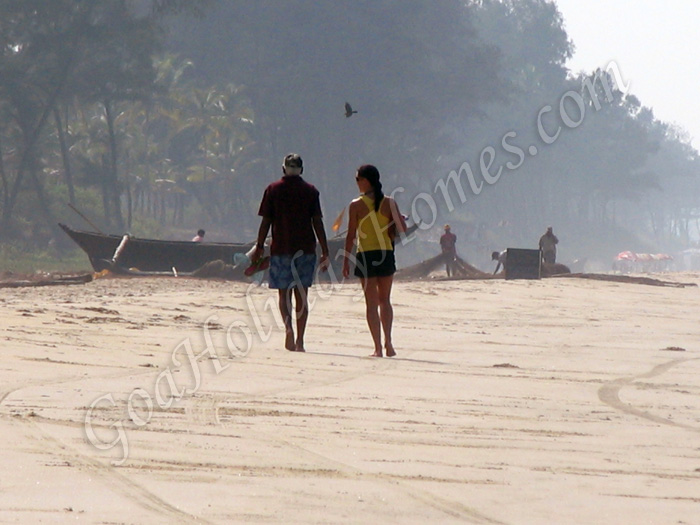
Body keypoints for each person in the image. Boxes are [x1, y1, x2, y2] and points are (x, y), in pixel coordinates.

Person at [252, 153, 330, 352]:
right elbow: (317, 222)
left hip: (281, 249)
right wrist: (325, 250)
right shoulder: (311, 191)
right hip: (305, 250)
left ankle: (288, 328)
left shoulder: (273, 190)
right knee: (301, 295)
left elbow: (266, 221)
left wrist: (259, 247)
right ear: (301, 170)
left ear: (283, 168)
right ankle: (301, 341)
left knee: (283, 294)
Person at [342, 164, 407, 357]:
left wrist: (346, 260)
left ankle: (377, 347)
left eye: (357, 180)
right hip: (385, 253)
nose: (356, 184)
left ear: (366, 181)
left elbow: (351, 236)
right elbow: (403, 229)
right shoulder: (390, 202)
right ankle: (389, 343)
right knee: (385, 300)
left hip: (366, 256)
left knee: (371, 303)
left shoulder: (355, 205)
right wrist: (394, 222)